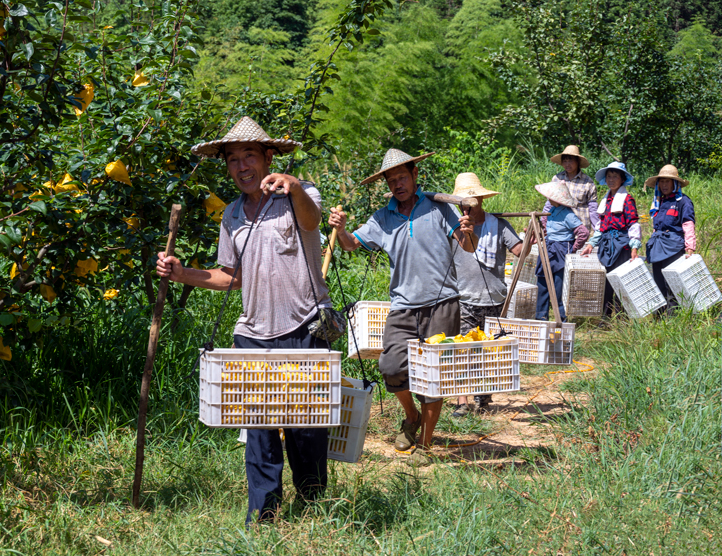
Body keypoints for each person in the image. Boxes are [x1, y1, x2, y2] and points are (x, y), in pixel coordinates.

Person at [155, 116, 332, 526]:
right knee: (260, 429)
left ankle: (312, 503)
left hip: (302, 326)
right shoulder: (232, 214)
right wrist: (184, 274)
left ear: (268, 157)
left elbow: (312, 222)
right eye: (232, 160)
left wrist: (293, 185)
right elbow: (230, 277)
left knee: (306, 427)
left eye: (249, 156)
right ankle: (263, 513)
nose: (241, 167)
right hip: (252, 334)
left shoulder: (299, 195)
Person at [327, 149, 474, 465]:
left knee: (434, 379)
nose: (398, 184)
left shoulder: (437, 208)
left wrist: (468, 230)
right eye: (392, 180)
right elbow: (352, 244)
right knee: (390, 367)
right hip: (403, 306)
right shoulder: (382, 218)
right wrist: (340, 229)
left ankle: (425, 445)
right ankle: (411, 415)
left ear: (414, 176)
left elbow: (467, 246)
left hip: (442, 303)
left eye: (402, 177)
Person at [450, 173, 523, 416]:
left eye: (472, 200)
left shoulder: (498, 225)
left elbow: (519, 249)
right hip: (464, 298)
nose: (468, 205)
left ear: (481, 199)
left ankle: (483, 397)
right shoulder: (455, 227)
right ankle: (462, 401)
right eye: (463, 201)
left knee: (489, 350)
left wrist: (532, 237)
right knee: (463, 349)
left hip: (493, 298)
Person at [580, 162, 641, 316]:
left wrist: (634, 246)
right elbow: (601, 225)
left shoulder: (627, 199)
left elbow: (633, 223)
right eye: (609, 177)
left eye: (615, 176)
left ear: (622, 179)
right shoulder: (606, 200)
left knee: (620, 280)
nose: (611, 180)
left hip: (622, 245)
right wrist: (591, 244)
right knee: (606, 282)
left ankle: (622, 318)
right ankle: (605, 317)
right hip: (607, 244)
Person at [533, 181, 590, 321]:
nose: (548, 199)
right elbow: (546, 228)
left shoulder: (568, 215)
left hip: (560, 251)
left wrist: (573, 248)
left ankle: (561, 320)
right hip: (548, 248)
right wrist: (537, 230)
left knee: (558, 288)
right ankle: (541, 318)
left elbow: (583, 232)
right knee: (542, 284)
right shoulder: (551, 211)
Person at [643, 164, 695, 314]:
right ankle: (658, 319)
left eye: (667, 181)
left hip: (674, 247)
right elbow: (656, 226)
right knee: (658, 283)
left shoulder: (683, 201)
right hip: (658, 247)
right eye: (662, 181)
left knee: (671, 283)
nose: (664, 185)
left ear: (675, 183)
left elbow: (688, 224)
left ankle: (673, 319)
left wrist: (690, 248)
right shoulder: (659, 201)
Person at [543, 145, 600, 233]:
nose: (567, 164)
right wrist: (543, 221)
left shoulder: (587, 182)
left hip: (580, 227)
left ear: (578, 162)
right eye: (565, 161)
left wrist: (597, 229)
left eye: (570, 161)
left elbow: (592, 208)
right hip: (560, 228)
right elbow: (550, 203)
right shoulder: (557, 178)